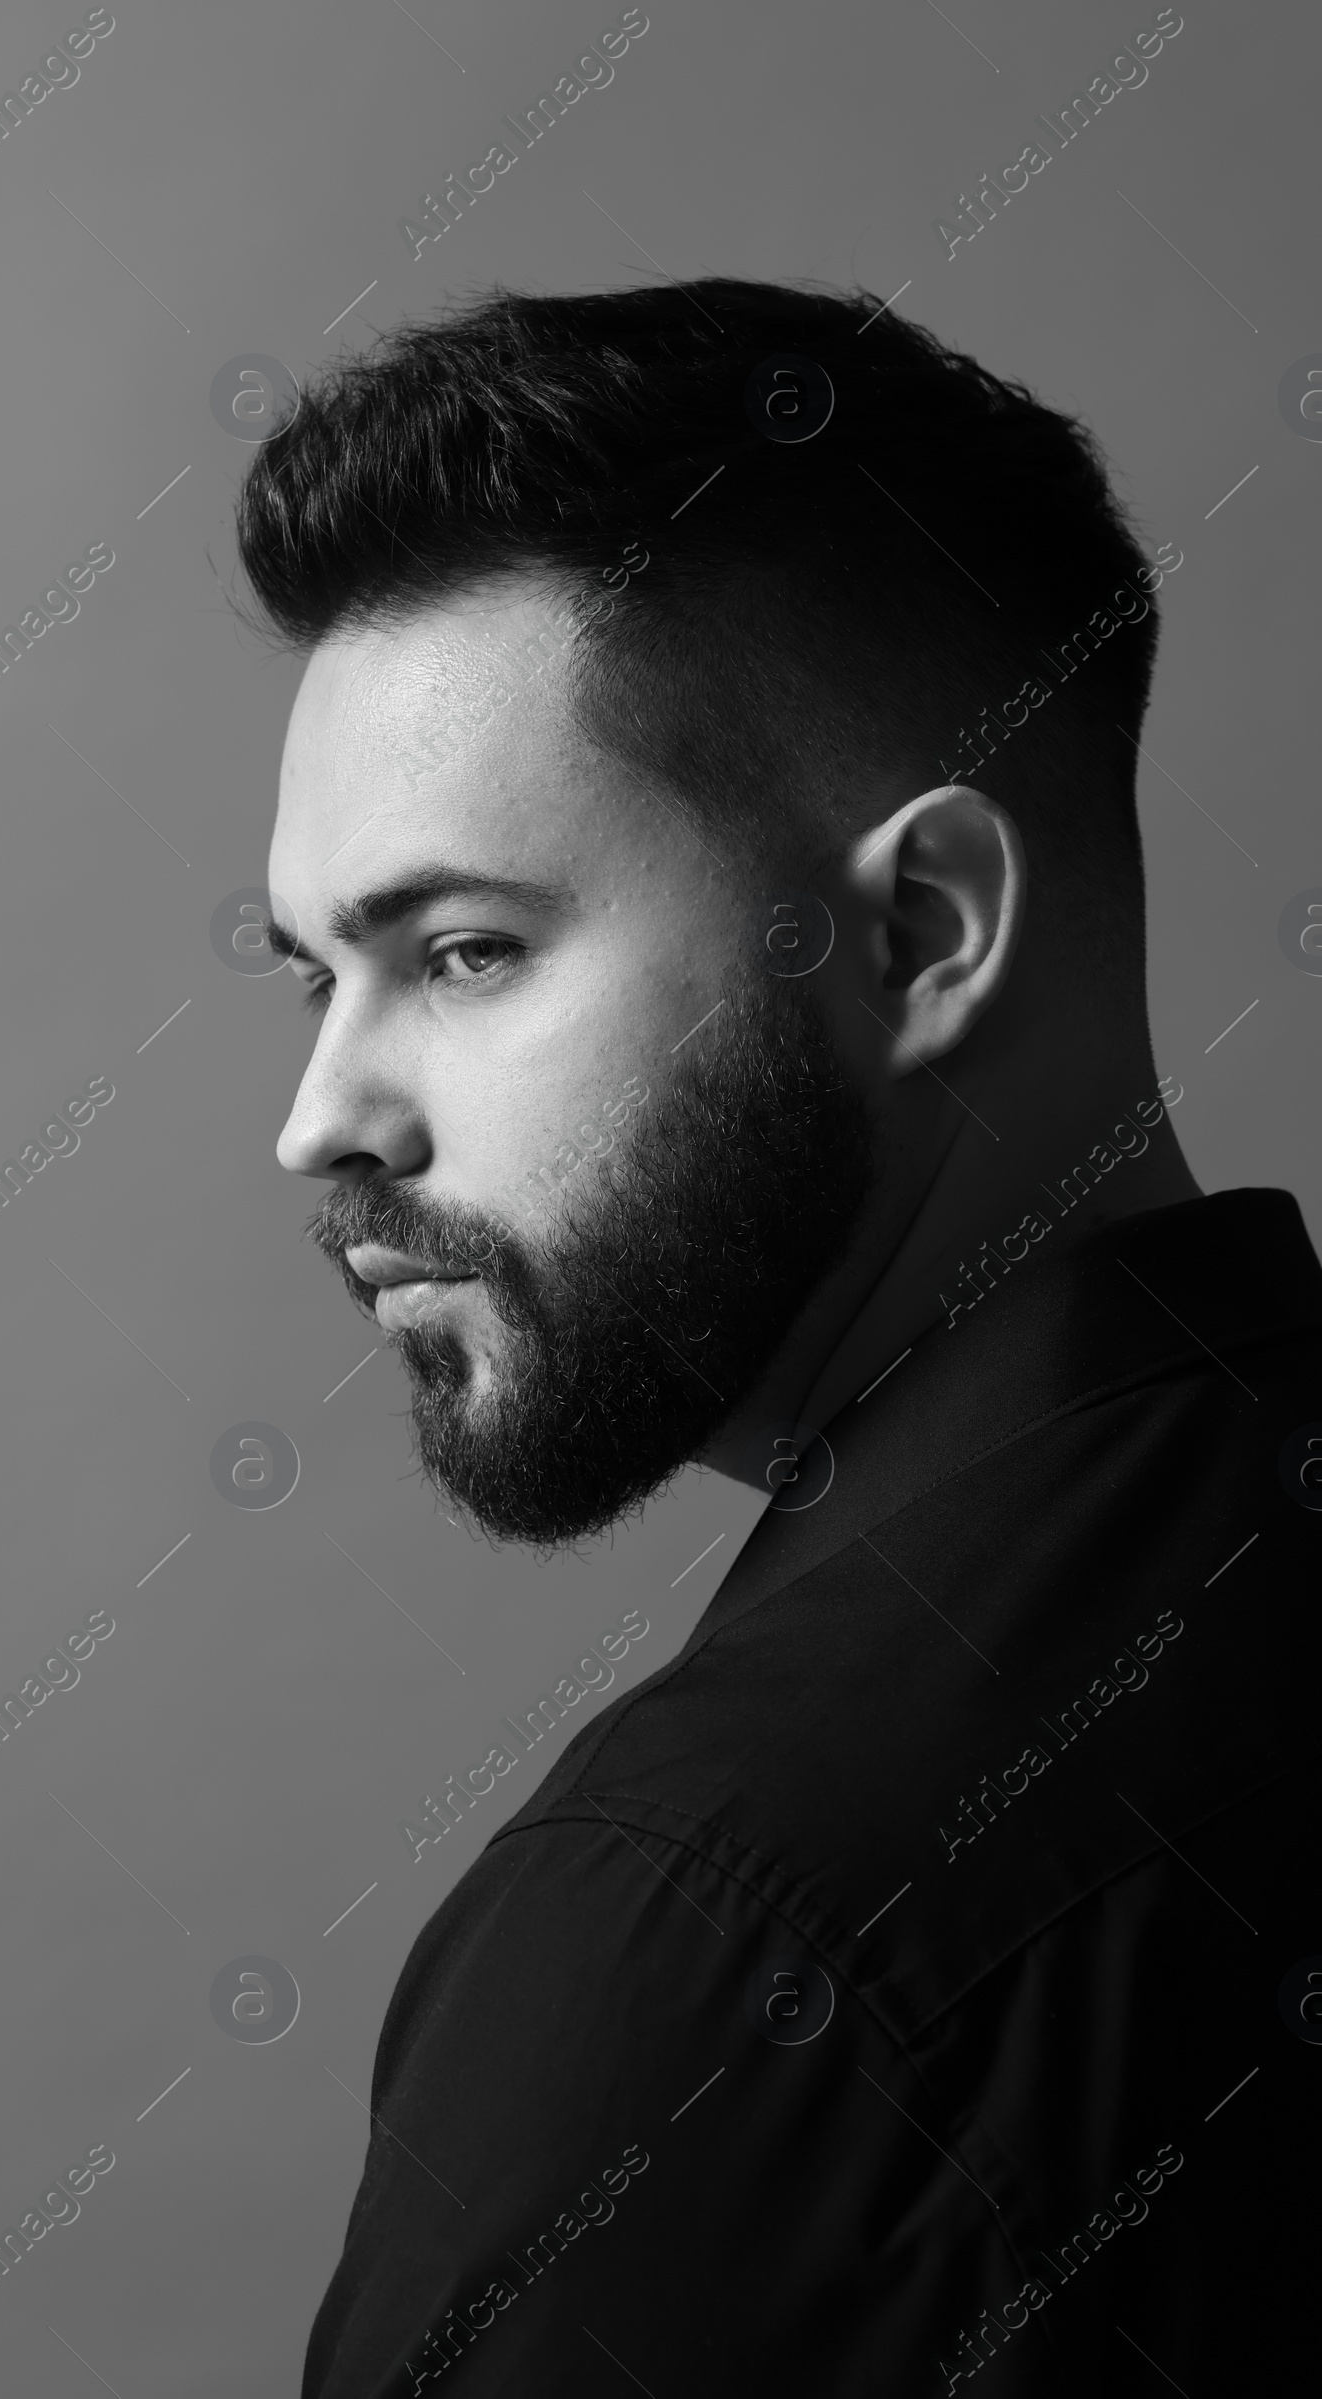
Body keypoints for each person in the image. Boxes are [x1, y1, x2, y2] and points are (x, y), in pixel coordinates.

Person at [236, 280, 1317, 2395]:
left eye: (459, 952)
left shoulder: (707, 1938)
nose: (318, 1125)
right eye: (309, 978)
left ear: (918, 934)